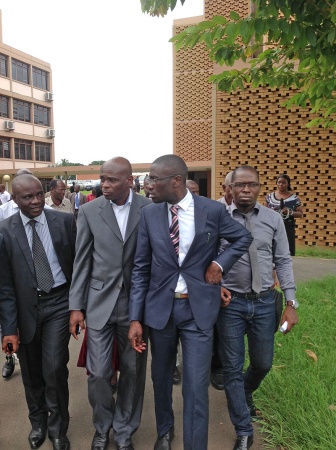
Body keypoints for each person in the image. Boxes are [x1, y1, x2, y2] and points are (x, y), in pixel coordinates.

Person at [128, 154, 252, 450]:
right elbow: (140, 267)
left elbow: (242, 238)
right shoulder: (149, 214)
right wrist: (135, 317)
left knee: (196, 387)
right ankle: (165, 432)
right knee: (160, 378)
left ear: (176, 181)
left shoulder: (210, 210)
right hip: (161, 310)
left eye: (154, 179)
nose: (148, 185)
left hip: (199, 309)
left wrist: (219, 265)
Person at [69, 157, 151, 450]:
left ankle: (125, 431)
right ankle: (102, 427)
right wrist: (76, 307)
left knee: (132, 372)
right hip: (99, 303)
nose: (104, 184)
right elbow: (82, 261)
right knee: (99, 373)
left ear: (129, 181)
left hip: (135, 307)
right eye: (102, 178)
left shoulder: (149, 209)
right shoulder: (90, 211)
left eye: (112, 180)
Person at [217, 165, 299, 450]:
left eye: (251, 185)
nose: (246, 190)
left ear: (260, 187)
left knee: (263, 363)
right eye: (240, 185)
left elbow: (283, 261)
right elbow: (207, 261)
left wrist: (291, 302)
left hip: (264, 302)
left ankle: (244, 392)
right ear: (231, 187)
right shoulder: (218, 219)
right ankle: (243, 428)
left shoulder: (273, 219)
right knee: (232, 367)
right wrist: (217, 288)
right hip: (230, 305)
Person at [0, 174, 76, 450]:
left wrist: (77, 307)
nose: (35, 201)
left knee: (54, 367)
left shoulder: (65, 222)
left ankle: (58, 428)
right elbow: (5, 286)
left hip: (58, 302)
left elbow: (77, 267)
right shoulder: (5, 231)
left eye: (37, 194)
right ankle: (38, 422)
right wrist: (8, 328)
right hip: (24, 308)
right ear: (14, 199)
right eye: (26, 197)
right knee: (31, 372)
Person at [265, 174, 303, 256]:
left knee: (287, 250)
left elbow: (300, 213)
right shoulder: (270, 197)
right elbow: (264, 211)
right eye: (279, 182)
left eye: (283, 182)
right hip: (272, 227)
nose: (280, 184)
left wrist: (289, 212)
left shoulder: (294, 198)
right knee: (272, 249)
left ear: (288, 184)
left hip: (287, 227)